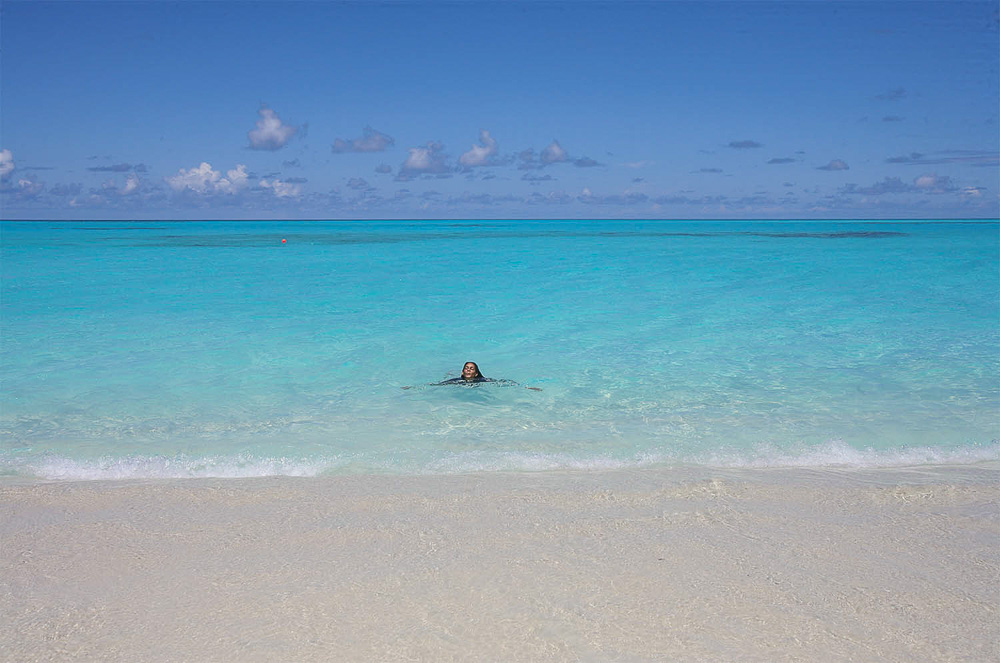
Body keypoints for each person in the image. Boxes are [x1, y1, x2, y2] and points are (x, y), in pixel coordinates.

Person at [402, 361, 542, 390]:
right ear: (462, 372)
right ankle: (447, 372)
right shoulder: (457, 381)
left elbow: (503, 382)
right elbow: (437, 384)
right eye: (466, 368)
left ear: (475, 372)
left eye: (471, 369)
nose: (468, 370)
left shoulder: (482, 380)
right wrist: (413, 387)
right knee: (444, 380)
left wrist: (526, 387)